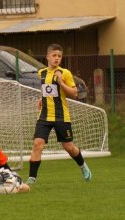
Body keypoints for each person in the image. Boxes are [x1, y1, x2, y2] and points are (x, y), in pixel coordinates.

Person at [26, 43, 92, 184]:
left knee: (69, 147)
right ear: (47, 57)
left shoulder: (65, 73)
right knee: (38, 143)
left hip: (61, 116)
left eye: (59, 56)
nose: (57, 58)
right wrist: (41, 98)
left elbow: (75, 93)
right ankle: (32, 178)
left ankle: (83, 165)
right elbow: (47, 89)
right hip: (44, 116)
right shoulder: (41, 73)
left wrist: (61, 83)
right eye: (54, 56)